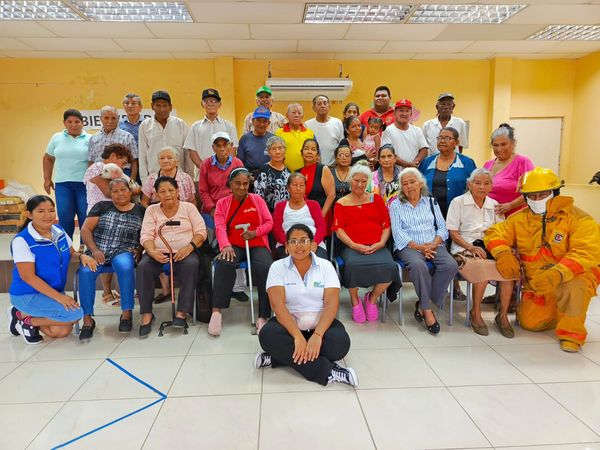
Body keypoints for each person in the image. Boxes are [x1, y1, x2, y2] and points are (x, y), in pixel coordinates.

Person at [485, 167, 600, 353]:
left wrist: (557, 273)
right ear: (526, 197)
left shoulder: (579, 218)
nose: (537, 199)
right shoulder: (519, 219)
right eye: (532, 196)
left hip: (573, 276)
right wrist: (502, 253)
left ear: (555, 192)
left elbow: (586, 251)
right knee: (531, 324)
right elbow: (495, 233)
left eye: (543, 194)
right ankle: (557, 308)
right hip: (538, 282)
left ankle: (571, 334)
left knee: (574, 289)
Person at [255, 224, 357, 387]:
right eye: (293, 241)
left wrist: (317, 335)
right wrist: (297, 336)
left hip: (321, 326)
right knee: (267, 335)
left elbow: (331, 304)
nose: (299, 245)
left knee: (340, 344)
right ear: (286, 246)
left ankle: (279, 357)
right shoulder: (277, 267)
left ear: (313, 245)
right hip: (289, 328)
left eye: (304, 240)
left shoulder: (326, 266)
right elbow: (278, 307)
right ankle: (329, 372)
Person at [389, 168, 458, 334]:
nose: (409, 186)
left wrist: (433, 244)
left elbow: (442, 228)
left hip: (433, 244)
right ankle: (427, 310)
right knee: (419, 266)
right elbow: (397, 233)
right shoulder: (396, 205)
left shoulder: (431, 202)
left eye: (412, 182)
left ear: (420, 183)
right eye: (405, 184)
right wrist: (420, 247)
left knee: (450, 265)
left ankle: (423, 303)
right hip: (408, 246)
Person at [446, 168, 514, 337]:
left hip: (490, 247)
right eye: (477, 183)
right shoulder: (458, 202)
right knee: (482, 269)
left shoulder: (494, 205)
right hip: (464, 248)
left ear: (491, 186)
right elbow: (453, 232)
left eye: (486, 183)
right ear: (469, 184)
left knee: (509, 269)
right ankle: (475, 312)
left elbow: (502, 231)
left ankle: (503, 316)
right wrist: (471, 248)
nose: (482, 187)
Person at [7, 195, 84, 344]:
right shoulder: (22, 240)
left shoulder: (59, 231)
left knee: (61, 331)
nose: (48, 215)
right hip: (27, 294)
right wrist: (60, 298)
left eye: (51, 210)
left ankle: (22, 316)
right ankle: (26, 321)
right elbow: (28, 277)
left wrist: (82, 257)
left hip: (51, 291)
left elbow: (71, 253)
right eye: (41, 211)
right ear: (29, 214)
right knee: (75, 314)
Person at [137, 176, 207, 336]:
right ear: (156, 195)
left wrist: (189, 247)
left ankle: (182, 312)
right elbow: (146, 235)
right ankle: (146, 314)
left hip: (185, 251)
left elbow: (201, 232)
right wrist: (152, 251)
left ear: (178, 191)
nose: (167, 194)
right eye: (162, 191)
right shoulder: (151, 210)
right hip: (158, 252)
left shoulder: (189, 208)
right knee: (143, 267)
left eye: (170, 190)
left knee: (191, 265)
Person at [78, 179, 145, 339]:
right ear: (110, 194)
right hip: (98, 251)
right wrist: (94, 249)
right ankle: (87, 319)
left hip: (123, 250)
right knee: (85, 272)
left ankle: (126, 314)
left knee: (125, 267)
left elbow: (147, 234)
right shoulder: (101, 206)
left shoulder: (141, 210)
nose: (120, 193)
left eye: (123, 190)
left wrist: (139, 249)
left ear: (130, 191)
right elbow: (86, 229)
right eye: (115, 191)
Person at [209, 168, 273, 336]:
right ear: (230, 184)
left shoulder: (257, 200)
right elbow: (220, 227)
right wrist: (225, 245)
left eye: (245, 184)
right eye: (237, 183)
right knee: (224, 263)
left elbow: (269, 222)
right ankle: (216, 311)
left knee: (266, 267)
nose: (242, 187)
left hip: (257, 243)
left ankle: (263, 315)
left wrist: (255, 232)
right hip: (233, 245)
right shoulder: (222, 203)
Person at [333, 164, 399, 323]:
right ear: (350, 181)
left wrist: (381, 242)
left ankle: (372, 298)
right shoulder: (341, 203)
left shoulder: (375, 199)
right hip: (351, 247)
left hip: (377, 245)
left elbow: (386, 225)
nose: (360, 184)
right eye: (356, 180)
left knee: (390, 267)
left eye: (364, 181)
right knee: (352, 266)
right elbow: (339, 230)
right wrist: (354, 245)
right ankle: (355, 300)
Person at [42, 108, 91, 238]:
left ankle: (85, 245)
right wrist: (47, 179)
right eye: (69, 122)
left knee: (85, 216)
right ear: (64, 123)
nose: (73, 125)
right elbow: (48, 158)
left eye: (77, 122)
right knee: (65, 217)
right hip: (63, 185)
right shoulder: (56, 138)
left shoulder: (90, 139)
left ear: (83, 123)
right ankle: (66, 245)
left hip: (84, 185)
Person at [419, 127, 477, 218]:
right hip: (429, 215)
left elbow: (475, 188)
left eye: (447, 138)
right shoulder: (427, 162)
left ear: (456, 143)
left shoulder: (467, 163)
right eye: (440, 138)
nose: (442, 141)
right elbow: (418, 186)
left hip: (459, 214)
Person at [272, 173, 328, 260]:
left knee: (319, 261)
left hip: (312, 242)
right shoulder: (280, 206)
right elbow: (276, 228)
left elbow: (321, 226)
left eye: (301, 185)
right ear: (288, 188)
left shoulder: (313, 205)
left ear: (305, 188)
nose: (298, 188)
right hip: (287, 243)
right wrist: (286, 243)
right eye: (295, 185)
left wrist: (315, 242)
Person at [138, 90, 190, 183]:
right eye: (158, 105)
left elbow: (187, 154)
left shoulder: (181, 124)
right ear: (152, 106)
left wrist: (189, 177)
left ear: (170, 107)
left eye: (165, 105)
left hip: (179, 178)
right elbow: (142, 155)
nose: (162, 109)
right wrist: (145, 180)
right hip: (154, 178)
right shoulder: (145, 126)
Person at [484, 123, 535, 217]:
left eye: (503, 144)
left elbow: (532, 192)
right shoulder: (487, 165)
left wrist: (510, 205)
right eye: (495, 145)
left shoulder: (523, 162)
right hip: (491, 218)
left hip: (516, 217)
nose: (499, 149)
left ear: (513, 143)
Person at [185, 88, 239, 171]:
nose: (211, 103)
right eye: (207, 101)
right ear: (202, 104)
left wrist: (225, 167)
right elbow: (192, 150)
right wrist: (203, 167)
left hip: (224, 171)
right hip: (202, 172)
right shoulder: (195, 127)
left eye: (214, 101)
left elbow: (233, 149)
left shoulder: (229, 126)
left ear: (219, 104)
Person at [198, 132, 244, 218]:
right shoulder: (206, 164)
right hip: (212, 209)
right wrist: (212, 209)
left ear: (231, 145)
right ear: (213, 148)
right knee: (211, 227)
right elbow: (203, 191)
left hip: (234, 207)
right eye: (218, 146)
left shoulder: (238, 163)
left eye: (225, 145)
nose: (222, 149)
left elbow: (242, 188)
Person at [88, 105, 138, 181]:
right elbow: (91, 161)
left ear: (118, 119)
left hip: (122, 175)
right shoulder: (93, 138)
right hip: (99, 175)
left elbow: (134, 161)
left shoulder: (127, 137)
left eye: (113, 118)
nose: (110, 121)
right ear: (101, 119)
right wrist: (91, 179)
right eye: (106, 118)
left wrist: (132, 181)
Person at [297, 139, 336, 233]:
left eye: (313, 149)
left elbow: (331, 195)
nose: (309, 152)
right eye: (306, 148)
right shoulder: (297, 172)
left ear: (317, 154)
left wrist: (321, 216)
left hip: (321, 216)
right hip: (302, 217)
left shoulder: (323, 169)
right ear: (302, 153)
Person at [84, 143, 132, 213]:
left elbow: (132, 183)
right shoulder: (97, 167)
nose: (123, 167)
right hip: (98, 212)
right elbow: (108, 193)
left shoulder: (118, 172)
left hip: (113, 211)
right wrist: (134, 191)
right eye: (123, 163)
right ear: (113, 156)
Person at [381, 99, 428, 170]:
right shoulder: (388, 130)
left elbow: (424, 150)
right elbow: (387, 152)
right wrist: (408, 164)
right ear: (394, 113)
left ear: (411, 114)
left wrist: (415, 163)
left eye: (407, 111)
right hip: (394, 173)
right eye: (401, 110)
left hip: (414, 172)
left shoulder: (417, 130)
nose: (404, 114)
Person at [253, 135, 291, 212]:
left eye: (280, 148)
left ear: (285, 150)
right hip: (268, 213)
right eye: (273, 149)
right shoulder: (263, 170)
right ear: (269, 152)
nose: (277, 152)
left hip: (286, 213)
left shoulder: (288, 171)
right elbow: (258, 197)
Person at [305, 95, 344, 167]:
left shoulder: (337, 123)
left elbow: (341, 145)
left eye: (325, 103)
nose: (322, 106)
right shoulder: (308, 125)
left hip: (334, 166)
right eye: (319, 104)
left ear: (329, 106)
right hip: (314, 166)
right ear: (313, 108)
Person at [275, 103, 314, 173]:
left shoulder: (310, 133)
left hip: (306, 173)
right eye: (293, 112)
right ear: (287, 115)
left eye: (299, 113)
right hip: (284, 173)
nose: (296, 115)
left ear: (302, 116)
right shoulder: (278, 133)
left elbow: (316, 154)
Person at [237, 106, 274, 178]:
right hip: (250, 177)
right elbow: (240, 162)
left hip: (269, 177)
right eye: (258, 120)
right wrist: (247, 176)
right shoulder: (245, 139)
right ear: (253, 121)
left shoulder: (273, 139)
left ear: (268, 123)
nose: (261, 124)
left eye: (264, 121)